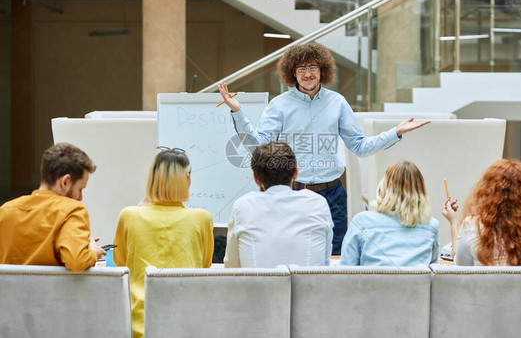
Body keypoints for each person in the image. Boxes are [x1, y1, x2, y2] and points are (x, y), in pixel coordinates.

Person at [218, 43, 429, 255]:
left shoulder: (338, 103)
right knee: (296, 253)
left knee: (335, 256)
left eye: (313, 67)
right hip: (294, 193)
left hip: (333, 195)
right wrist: (237, 112)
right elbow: (259, 147)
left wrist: (396, 132)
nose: (308, 74)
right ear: (292, 72)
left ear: (322, 70)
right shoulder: (279, 105)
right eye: (301, 69)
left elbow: (360, 146)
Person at [113, 147, 214, 338]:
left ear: (152, 179)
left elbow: (121, 263)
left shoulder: (129, 215)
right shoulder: (202, 218)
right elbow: (204, 265)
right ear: (186, 178)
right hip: (188, 324)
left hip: (139, 324)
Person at [224, 141, 333, 268]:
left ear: (256, 179)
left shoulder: (242, 206)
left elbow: (232, 268)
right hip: (309, 287)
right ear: (296, 173)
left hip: (257, 287)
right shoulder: (318, 203)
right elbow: (325, 263)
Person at [0, 142, 105, 271]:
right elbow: (77, 262)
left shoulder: (5, 210)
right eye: (80, 189)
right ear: (65, 182)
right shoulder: (73, 210)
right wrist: (93, 252)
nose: (80, 198)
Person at [441, 159, 521, 266]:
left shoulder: (471, 224)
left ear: (487, 190)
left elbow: (461, 266)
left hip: (485, 290)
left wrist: (454, 223)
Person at [340, 161, 439, 266]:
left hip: (372, 282)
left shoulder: (362, 221)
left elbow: (346, 268)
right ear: (420, 191)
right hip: (416, 282)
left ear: (384, 186)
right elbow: (431, 268)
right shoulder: (430, 225)